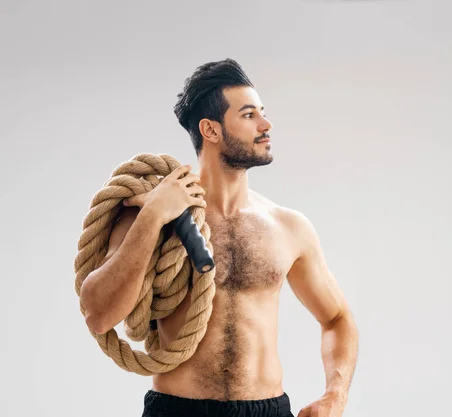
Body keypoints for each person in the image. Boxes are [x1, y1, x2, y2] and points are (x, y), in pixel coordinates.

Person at [79, 58, 359, 417]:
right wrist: (154, 215)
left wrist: (335, 395)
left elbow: (337, 318)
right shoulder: (148, 211)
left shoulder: (289, 227)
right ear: (210, 130)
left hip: (267, 411)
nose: (266, 124)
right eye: (248, 115)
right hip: (177, 411)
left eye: (263, 112)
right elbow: (99, 315)